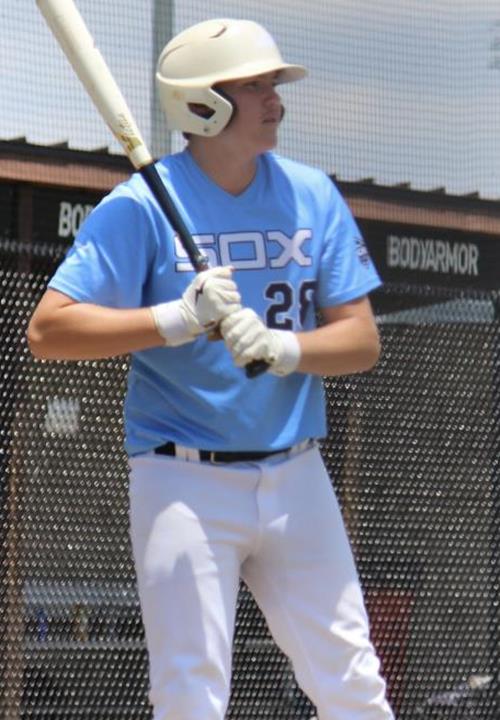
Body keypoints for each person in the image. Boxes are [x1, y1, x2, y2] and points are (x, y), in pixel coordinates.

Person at [27, 17, 395, 720]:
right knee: (189, 693)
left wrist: (286, 348)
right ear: (202, 104)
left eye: (273, 84)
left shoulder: (312, 194)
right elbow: (49, 330)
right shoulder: (140, 206)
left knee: (352, 683)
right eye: (254, 86)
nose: (275, 99)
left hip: (296, 473)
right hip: (183, 478)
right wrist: (176, 318)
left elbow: (361, 341)